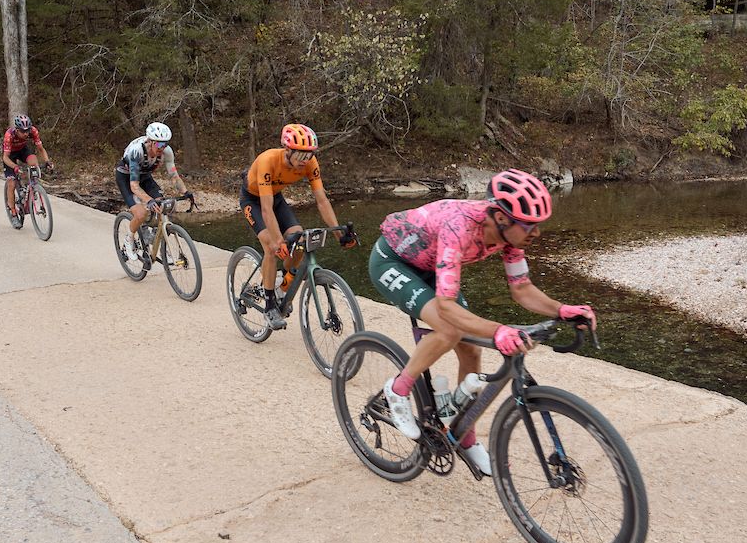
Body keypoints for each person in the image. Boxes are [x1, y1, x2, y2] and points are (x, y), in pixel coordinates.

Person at [368, 169, 596, 476]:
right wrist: (499, 330)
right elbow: (447, 308)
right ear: (502, 218)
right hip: (393, 259)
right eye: (530, 225)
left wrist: (561, 309)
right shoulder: (460, 226)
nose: (537, 233)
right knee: (451, 329)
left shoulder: (510, 238)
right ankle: (398, 388)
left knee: (471, 350)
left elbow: (522, 289)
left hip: (431, 267)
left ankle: (466, 437)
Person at [240, 124, 357, 330]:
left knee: (300, 241)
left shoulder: (311, 163)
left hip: (275, 198)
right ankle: (269, 306)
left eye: (309, 155)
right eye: (301, 155)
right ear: (288, 150)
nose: (305, 161)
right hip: (254, 201)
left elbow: (322, 201)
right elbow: (266, 210)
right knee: (270, 246)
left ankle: (281, 288)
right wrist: (278, 242)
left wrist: (339, 233)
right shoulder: (268, 160)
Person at [115, 122, 188, 262]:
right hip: (126, 178)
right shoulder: (137, 152)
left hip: (145, 177)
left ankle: (159, 238)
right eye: (160, 145)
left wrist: (186, 192)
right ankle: (129, 240)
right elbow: (134, 186)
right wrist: (148, 200)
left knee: (165, 205)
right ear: (150, 142)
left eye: (165, 144)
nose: (163, 148)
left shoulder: (166, 152)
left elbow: (174, 176)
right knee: (141, 213)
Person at [1, 114, 52, 227]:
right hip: (10, 155)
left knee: (34, 163)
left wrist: (47, 161)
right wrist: (15, 167)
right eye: (23, 131)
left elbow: (40, 149)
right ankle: (13, 213)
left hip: (22, 150)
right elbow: (5, 157)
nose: (26, 133)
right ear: (17, 130)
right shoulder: (9, 135)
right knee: (11, 182)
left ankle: (33, 187)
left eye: (27, 130)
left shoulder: (33, 131)